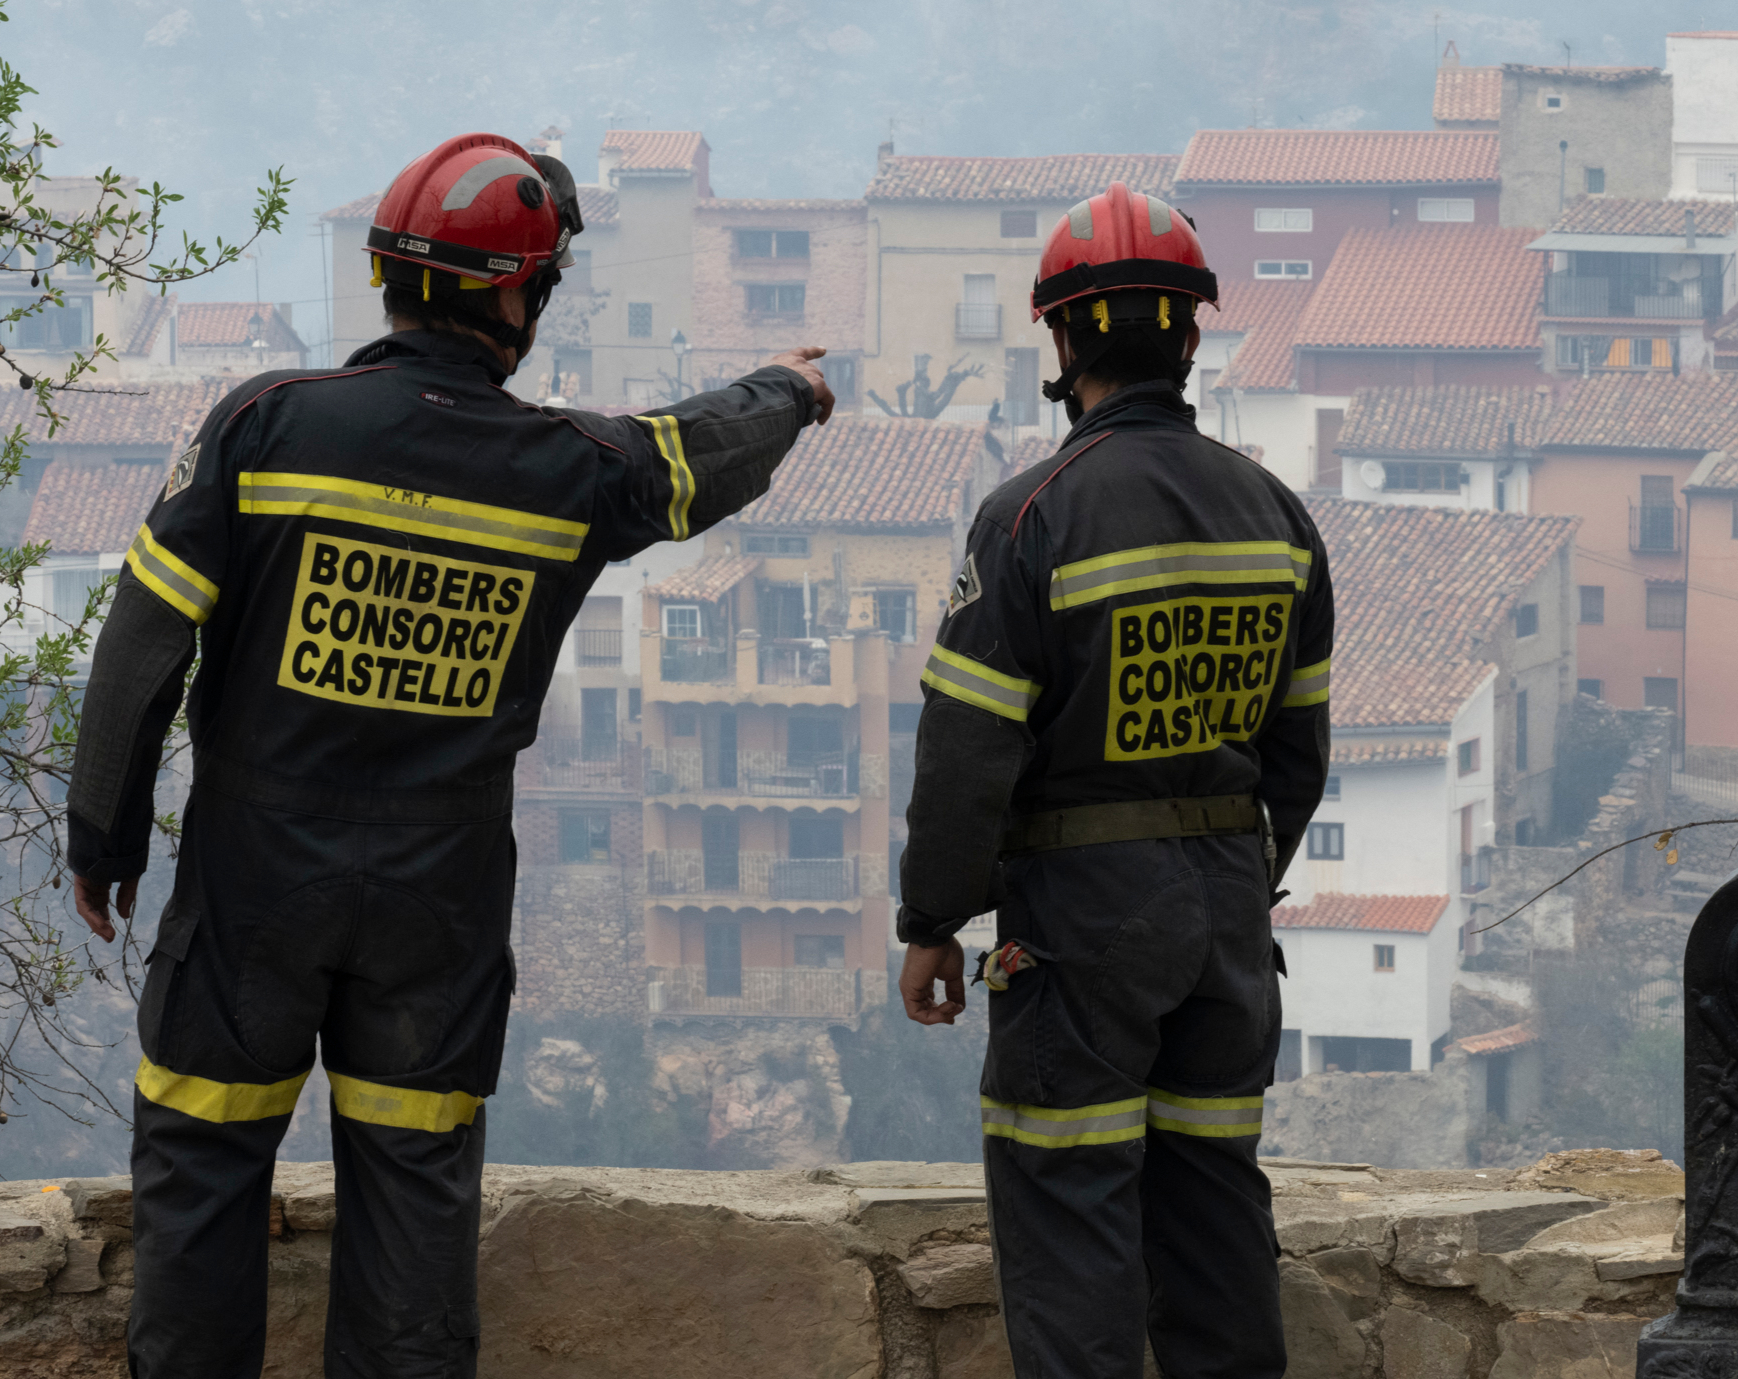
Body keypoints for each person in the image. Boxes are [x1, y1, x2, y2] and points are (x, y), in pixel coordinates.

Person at [66, 132, 833, 1379]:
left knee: (203, 1171)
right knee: (413, 1198)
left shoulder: (264, 427)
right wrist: (788, 389)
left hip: (254, 879)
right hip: (439, 900)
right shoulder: (565, 474)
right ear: (521, 301)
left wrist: (103, 832)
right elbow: (693, 457)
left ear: (387, 278)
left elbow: (146, 637)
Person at [895, 183, 1334, 1379]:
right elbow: (1298, 755)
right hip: (1228, 920)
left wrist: (934, 919)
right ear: (1189, 337)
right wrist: (1238, 876)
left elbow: (967, 752)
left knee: (1071, 1215)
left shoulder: (1030, 516)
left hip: (1085, 919)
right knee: (1212, 1219)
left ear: (1061, 340)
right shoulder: (1277, 516)